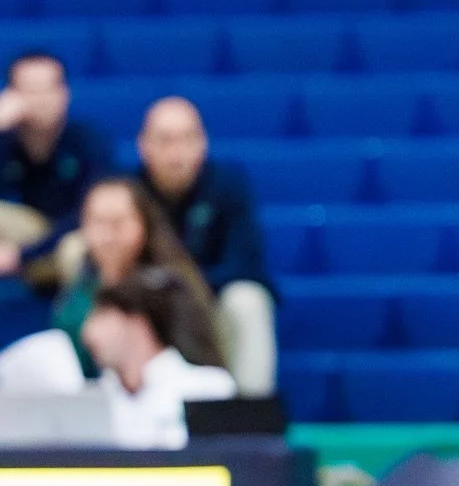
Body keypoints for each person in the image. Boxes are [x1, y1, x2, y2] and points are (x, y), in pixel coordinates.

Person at [135, 95, 277, 398]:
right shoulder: (129, 194)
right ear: (143, 145)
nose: (176, 153)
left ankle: (251, 419)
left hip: (209, 308)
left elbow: (245, 263)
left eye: (186, 139)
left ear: (203, 143)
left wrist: (181, 291)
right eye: (164, 140)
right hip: (145, 315)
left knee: (248, 299)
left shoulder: (229, 187)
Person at [37, 176, 225, 376]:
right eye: (98, 223)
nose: (107, 236)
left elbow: (200, 366)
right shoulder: (76, 300)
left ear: (143, 224)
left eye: (117, 223)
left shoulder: (169, 291)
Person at [80, 268, 238, 448]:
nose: (88, 333)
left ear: (137, 322)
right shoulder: (94, 398)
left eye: (103, 316)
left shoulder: (207, 388)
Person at [0, 50, 111, 278]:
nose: (40, 99)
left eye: (48, 89)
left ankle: (76, 313)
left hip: (72, 235)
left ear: (65, 93)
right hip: (26, 231)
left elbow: (87, 214)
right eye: (29, 90)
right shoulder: (5, 141)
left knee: (77, 249)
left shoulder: (88, 143)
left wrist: (23, 255)